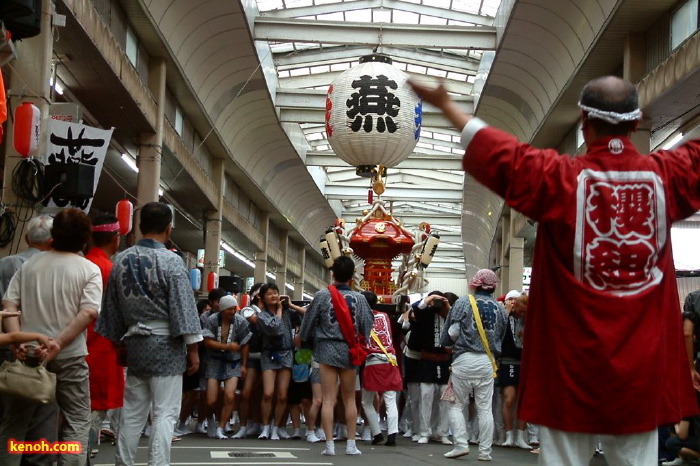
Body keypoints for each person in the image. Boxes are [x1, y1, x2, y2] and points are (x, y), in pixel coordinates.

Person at [410, 76, 700, 465]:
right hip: (642, 367)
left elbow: (503, 154)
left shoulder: (559, 179)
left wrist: (448, 107)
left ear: (583, 121)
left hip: (569, 366)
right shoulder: (666, 178)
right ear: (637, 122)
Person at [95, 202, 202, 466]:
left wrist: (119, 341)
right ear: (169, 228)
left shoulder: (120, 259)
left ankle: (124, 462)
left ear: (139, 227)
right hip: (166, 344)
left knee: (132, 413)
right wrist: (194, 350)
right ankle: (158, 463)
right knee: (165, 413)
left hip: (135, 343)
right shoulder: (171, 261)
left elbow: (111, 306)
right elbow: (183, 307)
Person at [0, 209, 103, 466]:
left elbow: (9, 306)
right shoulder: (88, 269)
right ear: (85, 239)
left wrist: (17, 340)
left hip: (29, 356)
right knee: (77, 421)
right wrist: (59, 342)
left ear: (53, 236)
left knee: (13, 424)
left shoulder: (30, 266)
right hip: (70, 356)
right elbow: (88, 311)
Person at [299, 256, 374, 456]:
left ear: (333, 274)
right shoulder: (359, 298)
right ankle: (351, 443)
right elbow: (368, 324)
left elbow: (308, 321)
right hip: (349, 350)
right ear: (352, 276)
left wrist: (304, 337)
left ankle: (330, 445)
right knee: (349, 399)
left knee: (328, 399)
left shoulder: (323, 295)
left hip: (326, 348)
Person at [440, 269, 507, 461]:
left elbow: (449, 332)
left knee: (456, 404)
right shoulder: (499, 307)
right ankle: (485, 452)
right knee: (485, 408)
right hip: (487, 361)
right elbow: (501, 337)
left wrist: (446, 346)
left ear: (475, 284)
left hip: (464, 359)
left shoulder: (462, 302)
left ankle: (461, 444)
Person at [84, 213, 126, 459]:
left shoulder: (83, 263)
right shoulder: (109, 269)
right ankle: (83, 455)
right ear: (115, 237)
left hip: (71, 343)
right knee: (93, 410)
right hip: (101, 346)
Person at [202, 295, 251, 439]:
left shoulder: (240, 321)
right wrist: (228, 346)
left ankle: (221, 427)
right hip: (214, 360)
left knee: (230, 396)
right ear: (222, 309)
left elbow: (245, 343)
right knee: (211, 399)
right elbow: (207, 342)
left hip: (233, 361)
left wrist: (244, 365)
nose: (232, 312)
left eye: (234, 309)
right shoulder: (211, 320)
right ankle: (212, 419)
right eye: (229, 309)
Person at [359, 290, 403, 446]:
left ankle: (377, 433)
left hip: (372, 361)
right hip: (390, 360)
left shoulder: (360, 319)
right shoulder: (384, 316)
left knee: (366, 401)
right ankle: (392, 434)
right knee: (390, 398)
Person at [255, 282, 298, 440]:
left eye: (276, 292)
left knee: (282, 394)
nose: (273, 296)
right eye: (269, 294)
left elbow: (307, 315)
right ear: (263, 298)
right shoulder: (261, 315)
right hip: (269, 354)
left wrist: (291, 305)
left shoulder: (288, 311)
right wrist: (280, 309)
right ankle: (265, 427)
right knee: (268, 393)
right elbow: (275, 328)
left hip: (286, 353)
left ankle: (276, 427)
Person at [499, 290, 531, 450]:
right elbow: (497, 330)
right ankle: (509, 435)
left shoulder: (529, 320)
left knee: (524, 400)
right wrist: (507, 311)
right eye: (521, 311)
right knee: (509, 398)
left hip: (525, 361)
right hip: (508, 361)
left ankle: (520, 436)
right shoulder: (507, 317)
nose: (522, 314)